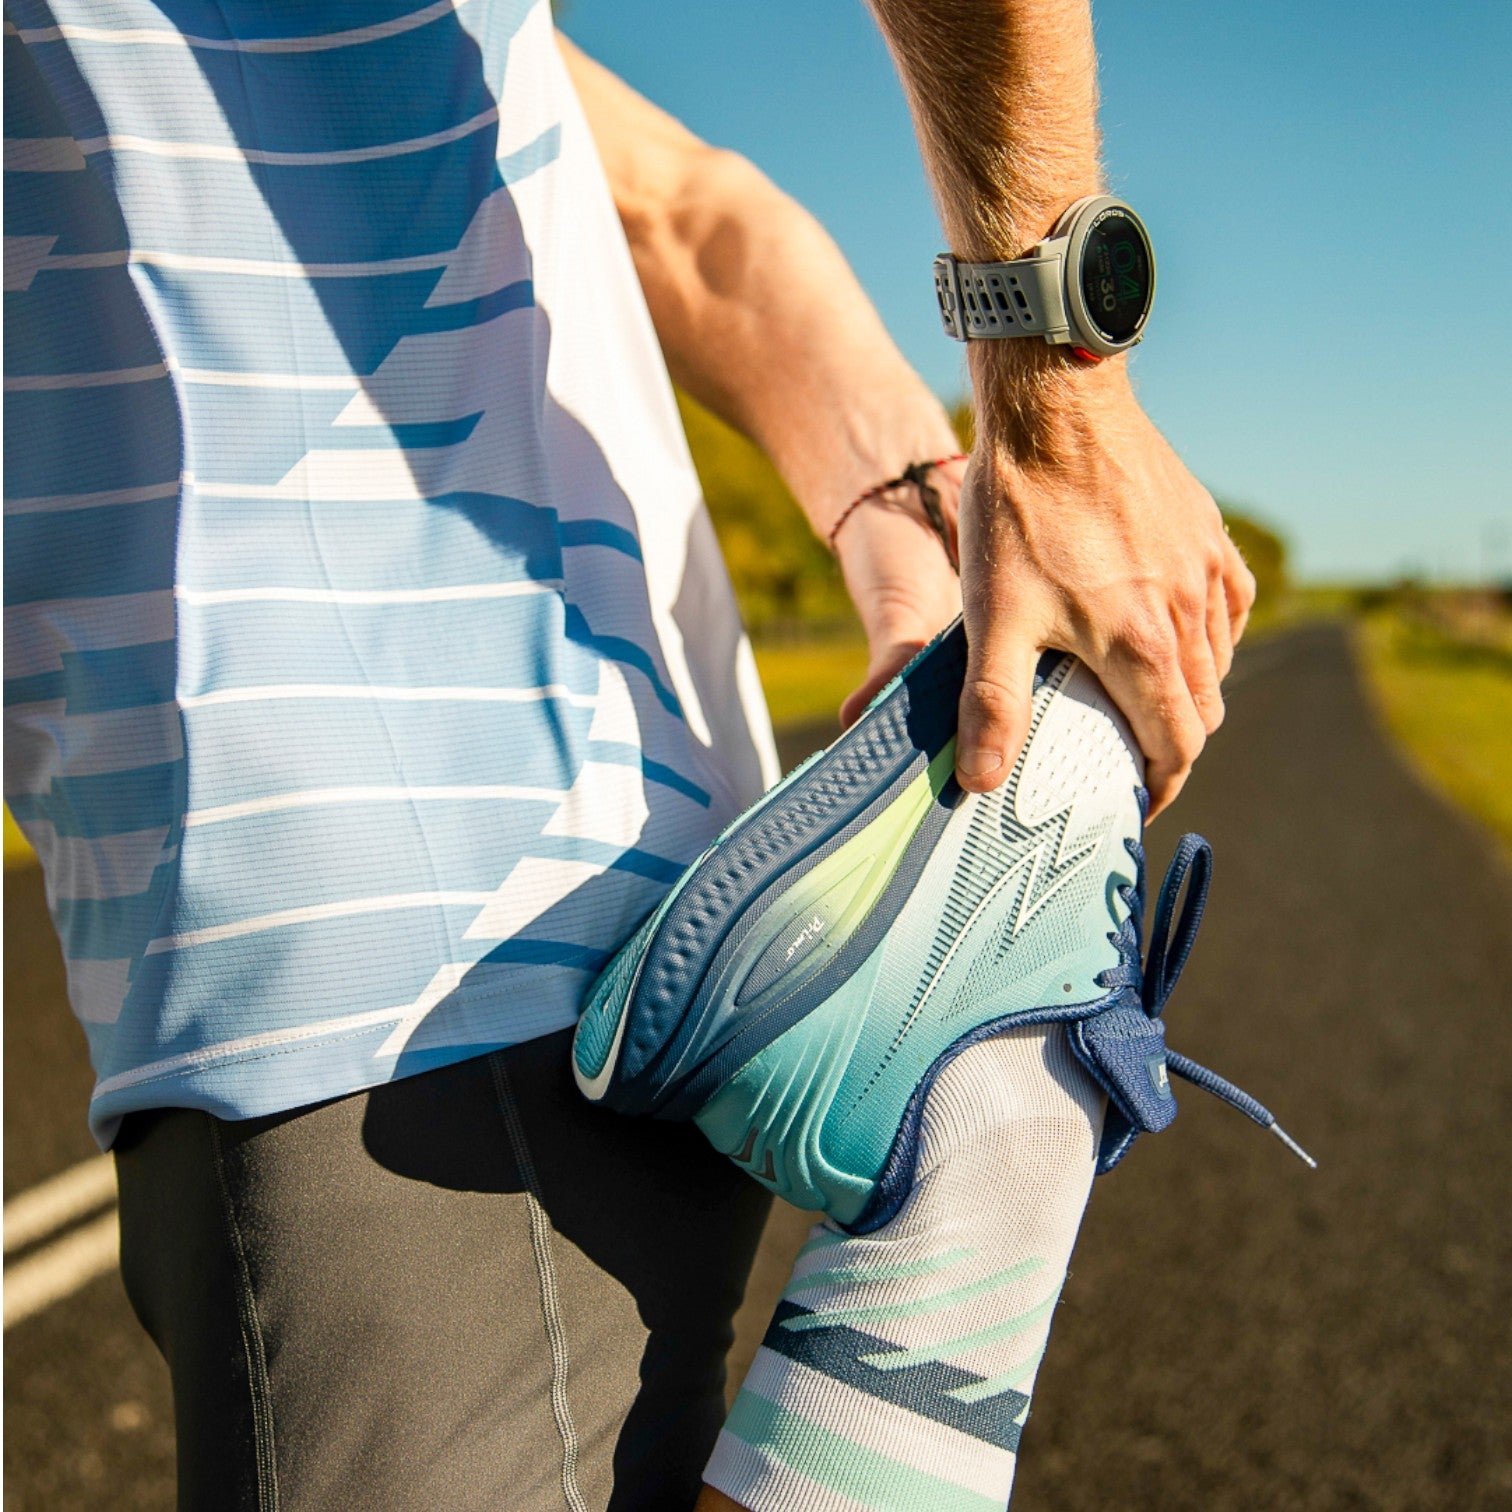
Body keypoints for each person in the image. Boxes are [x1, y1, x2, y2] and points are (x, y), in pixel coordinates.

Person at [3, 0, 1253, 1507]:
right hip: (597, 896)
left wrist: (1057, 407)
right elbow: (682, 216)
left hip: (414, 958)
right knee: (987, 1159)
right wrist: (925, 504)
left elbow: (681, 215)